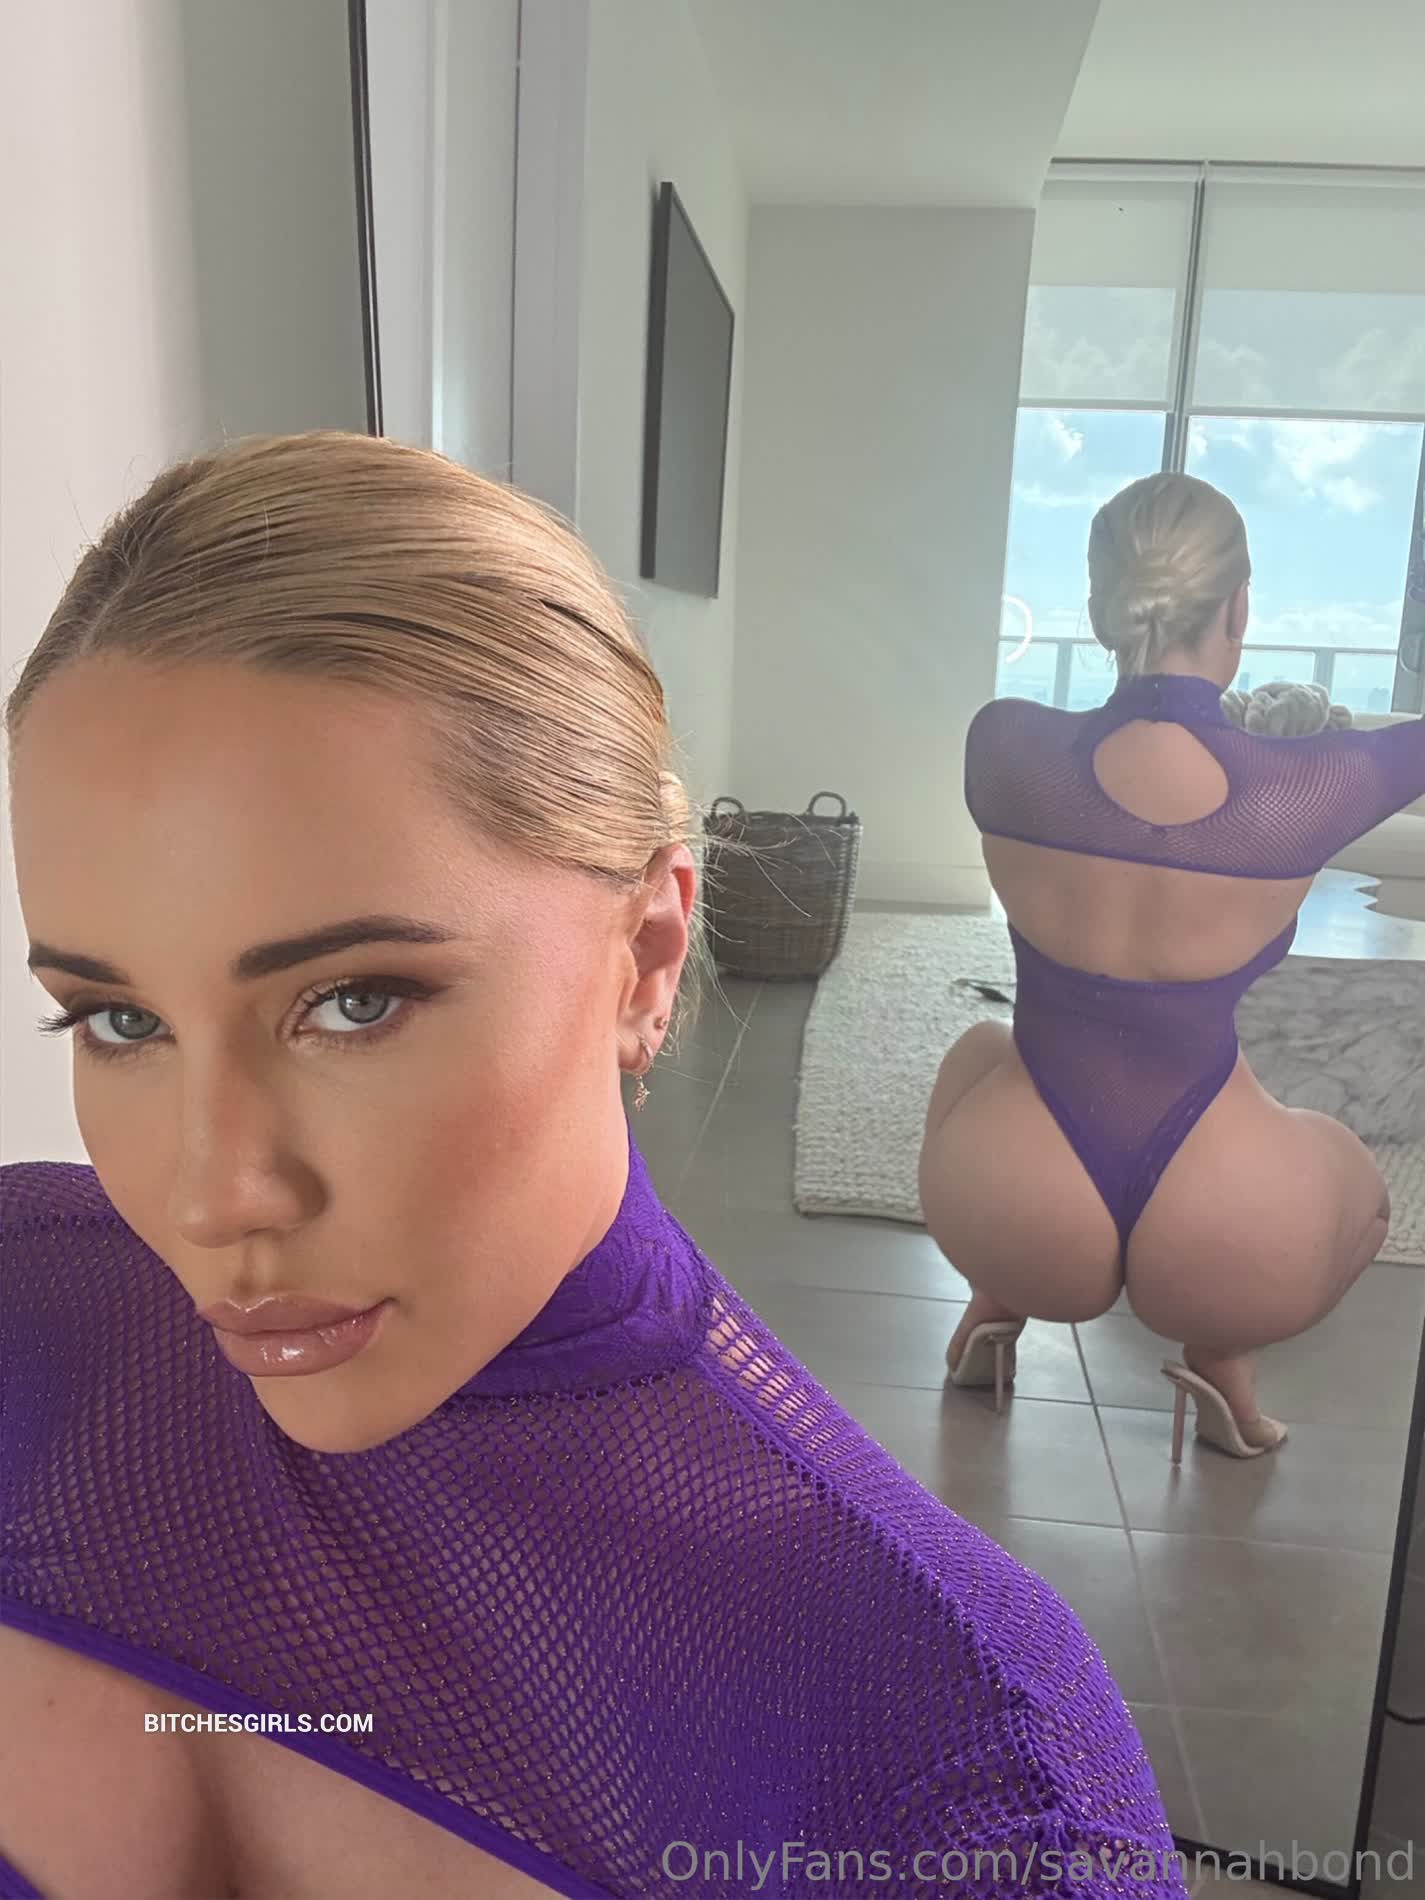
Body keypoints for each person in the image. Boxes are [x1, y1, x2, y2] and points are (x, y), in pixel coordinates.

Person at [0, 433, 1187, 1898]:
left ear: (647, 956)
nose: (212, 1197)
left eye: (354, 1002)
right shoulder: (25, 1312)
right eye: (118, 1020)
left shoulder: (968, 1782)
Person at [921, 471, 1412, 1462]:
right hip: (1225, 1228)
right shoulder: (1306, 788)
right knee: (1355, 1183)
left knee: (979, 1047)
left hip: (1010, 1201)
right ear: (1238, 610)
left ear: (1100, 604)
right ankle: (1223, 1363)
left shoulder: (1004, 744)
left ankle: (995, 1303)